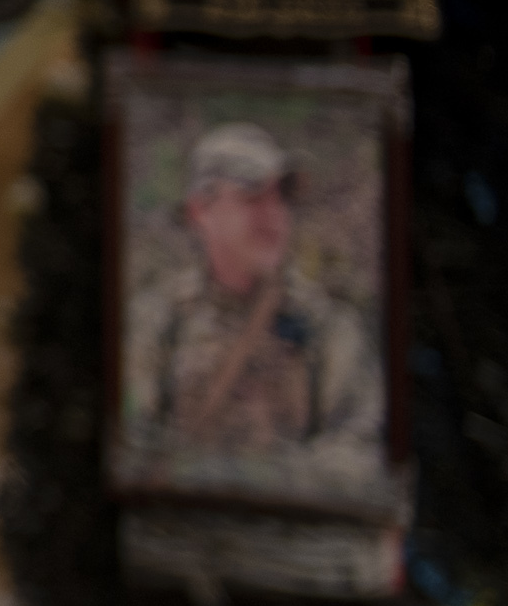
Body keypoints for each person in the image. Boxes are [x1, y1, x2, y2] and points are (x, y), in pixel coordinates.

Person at [125, 118, 385, 489]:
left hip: (296, 538)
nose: (273, 217)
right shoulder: (158, 318)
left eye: (281, 197)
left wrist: (268, 479)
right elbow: (129, 441)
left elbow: (361, 448)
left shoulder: (325, 324)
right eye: (251, 199)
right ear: (201, 211)